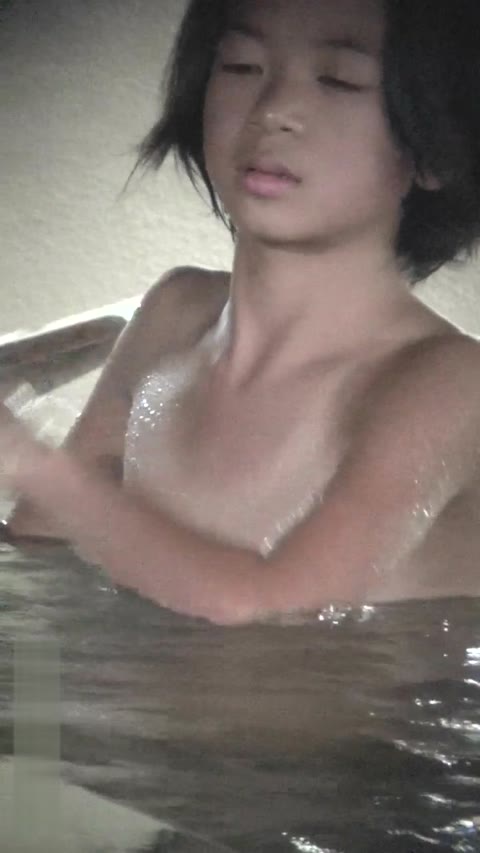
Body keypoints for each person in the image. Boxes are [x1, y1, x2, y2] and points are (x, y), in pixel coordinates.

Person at [2, 0, 480, 625]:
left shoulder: (450, 384)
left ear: (435, 149)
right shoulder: (176, 313)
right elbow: (38, 545)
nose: (273, 109)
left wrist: (28, 463)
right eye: (241, 66)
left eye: (338, 79)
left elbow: (267, 605)